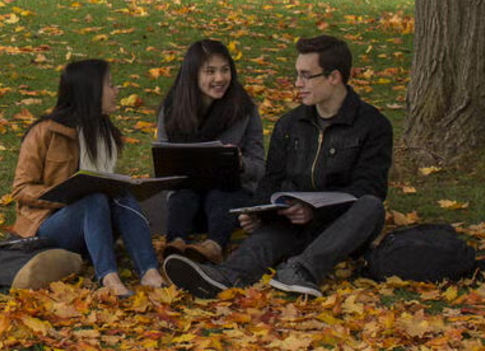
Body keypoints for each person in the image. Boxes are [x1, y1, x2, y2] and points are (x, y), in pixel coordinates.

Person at [165, 35, 392, 298]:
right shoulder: (290, 124)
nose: (298, 84)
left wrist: (315, 211)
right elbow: (271, 180)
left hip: (341, 225)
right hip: (293, 221)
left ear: (334, 77)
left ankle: (302, 271)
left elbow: (369, 187)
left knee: (371, 206)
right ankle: (225, 277)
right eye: (297, 74)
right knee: (270, 234)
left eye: (306, 76)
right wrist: (260, 212)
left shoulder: (373, 125)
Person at [12, 59, 167, 296]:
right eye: (110, 85)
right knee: (93, 199)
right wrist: (64, 196)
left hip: (98, 222)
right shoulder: (44, 132)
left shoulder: (105, 133)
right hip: (51, 224)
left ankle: (149, 272)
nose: (117, 91)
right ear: (90, 92)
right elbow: (21, 189)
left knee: (121, 194)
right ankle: (108, 277)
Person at [156, 40, 265, 264]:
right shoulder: (172, 110)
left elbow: (261, 168)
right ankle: (174, 245)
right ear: (193, 75)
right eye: (210, 71)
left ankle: (213, 247)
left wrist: (241, 164)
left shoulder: (244, 108)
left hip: (230, 203)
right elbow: (165, 173)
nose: (220, 78)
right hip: (187, 206)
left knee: (221, 192)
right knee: (183, 195)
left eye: (225, 70)